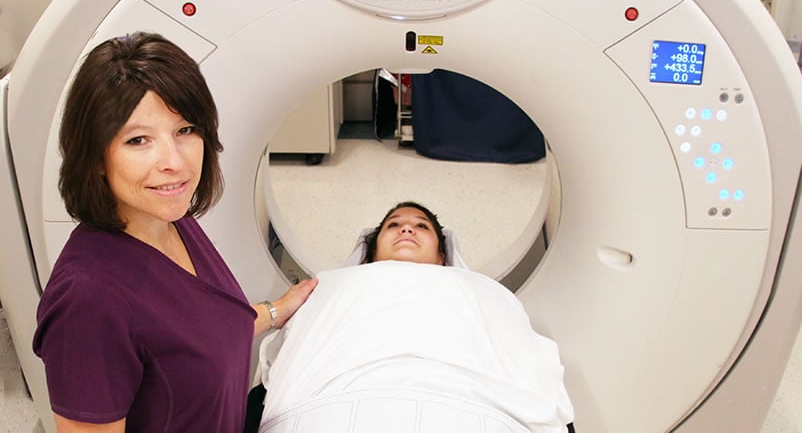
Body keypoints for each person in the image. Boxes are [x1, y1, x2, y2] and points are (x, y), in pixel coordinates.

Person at [32, 32, 317, 433]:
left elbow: (198, 336)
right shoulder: (89, 303)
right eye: (138, 140)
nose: (174, 162)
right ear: (94, 155)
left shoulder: (171, 220)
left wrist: (275, 311)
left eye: (185, 130)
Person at [255, 201, 575, 433]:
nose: (406, 228)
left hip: (477, 407)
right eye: (393, 225)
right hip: (328, 407)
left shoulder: (482, 290)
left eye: (422, 226)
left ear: (442, 256)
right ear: (371, 253)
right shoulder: (331, 284)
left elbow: (519, 349)